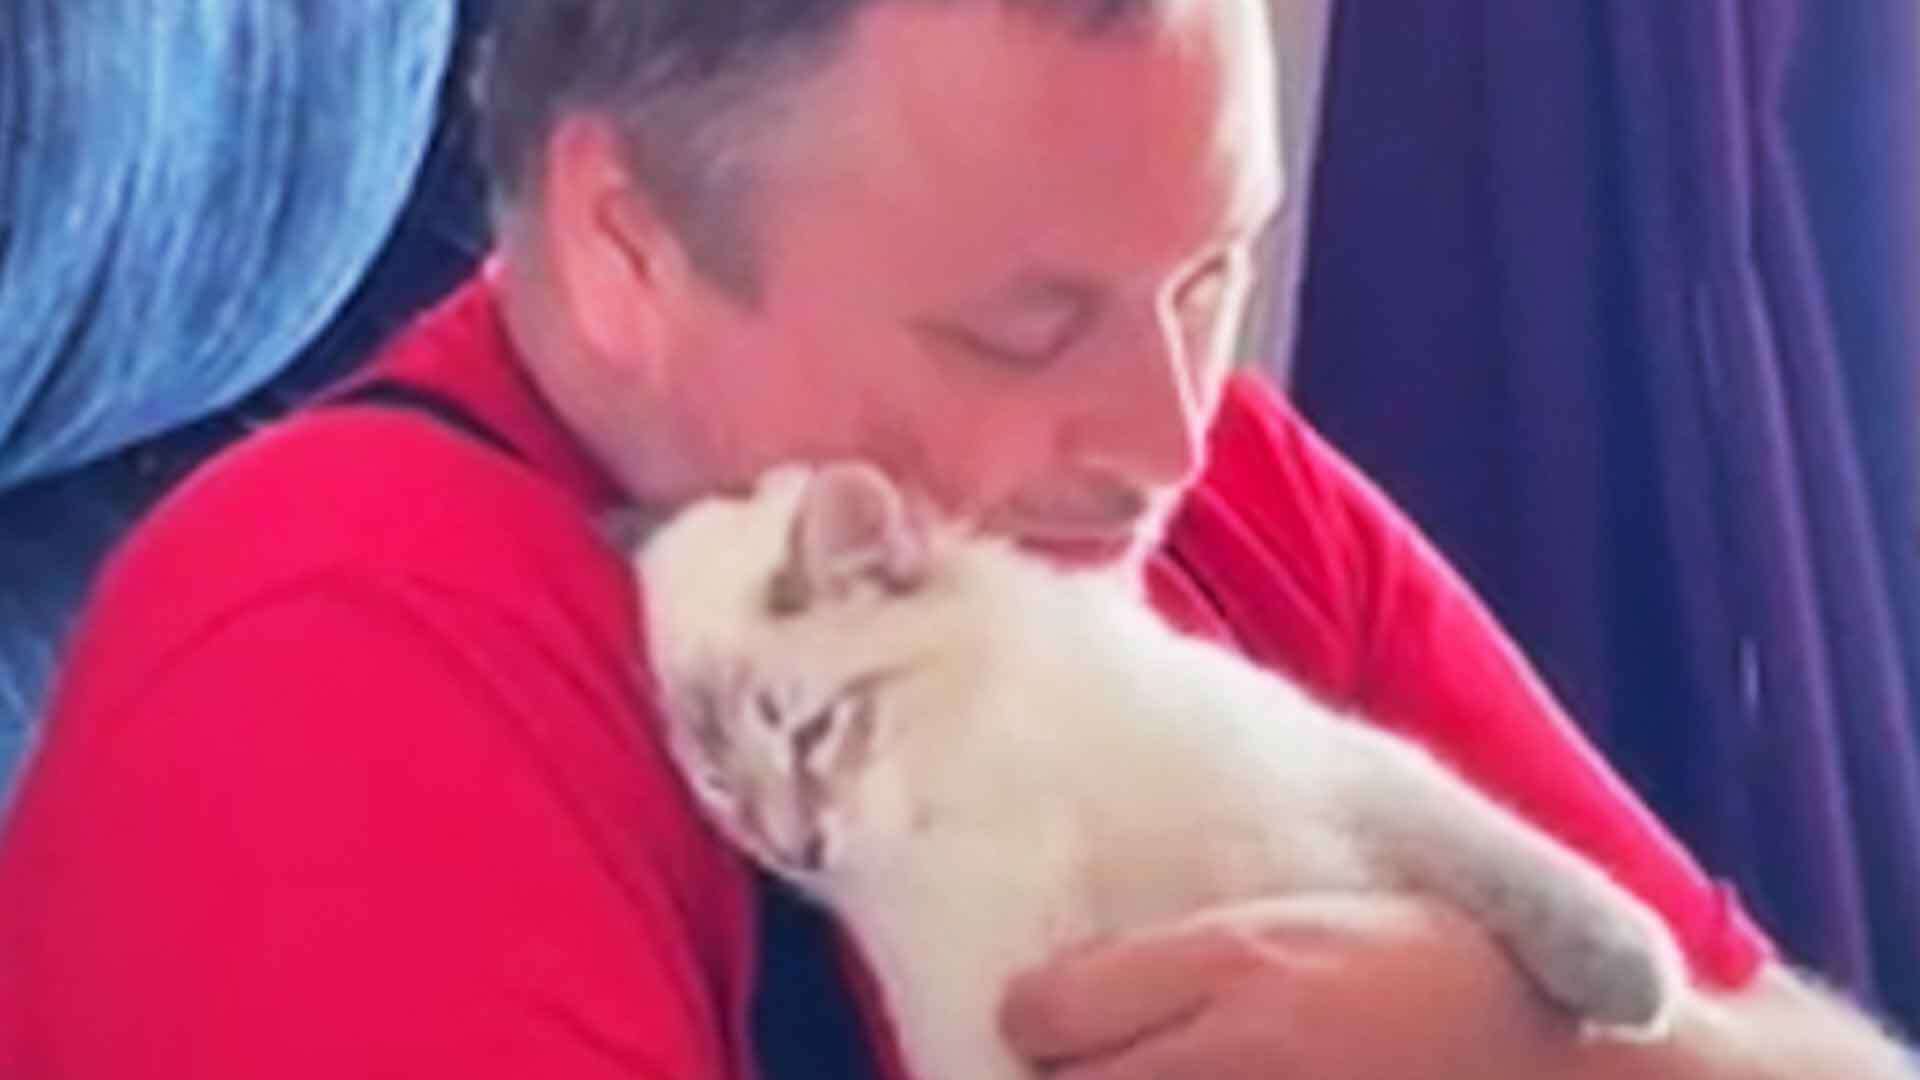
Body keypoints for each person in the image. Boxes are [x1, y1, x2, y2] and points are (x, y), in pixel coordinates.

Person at [0, 1, 1911, 1076]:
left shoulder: (1195, 496)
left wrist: (1536, 1069)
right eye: (1024, 327)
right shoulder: (334, 694)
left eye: (1214, 275)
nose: (1169, 434)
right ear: (622, 252)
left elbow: (1780, 1041)